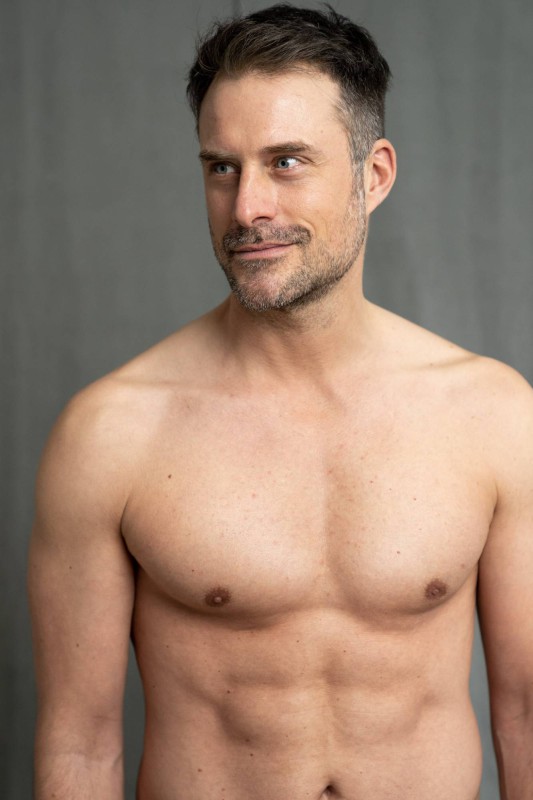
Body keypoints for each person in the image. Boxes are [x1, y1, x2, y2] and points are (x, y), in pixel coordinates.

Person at [28, 4, 533, 799]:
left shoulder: (492, 415)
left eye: (286, 162)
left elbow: (526, 713)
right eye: (221, 168)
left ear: (373, 175)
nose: (247, 208)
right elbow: (81, 746)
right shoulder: (112, 433)